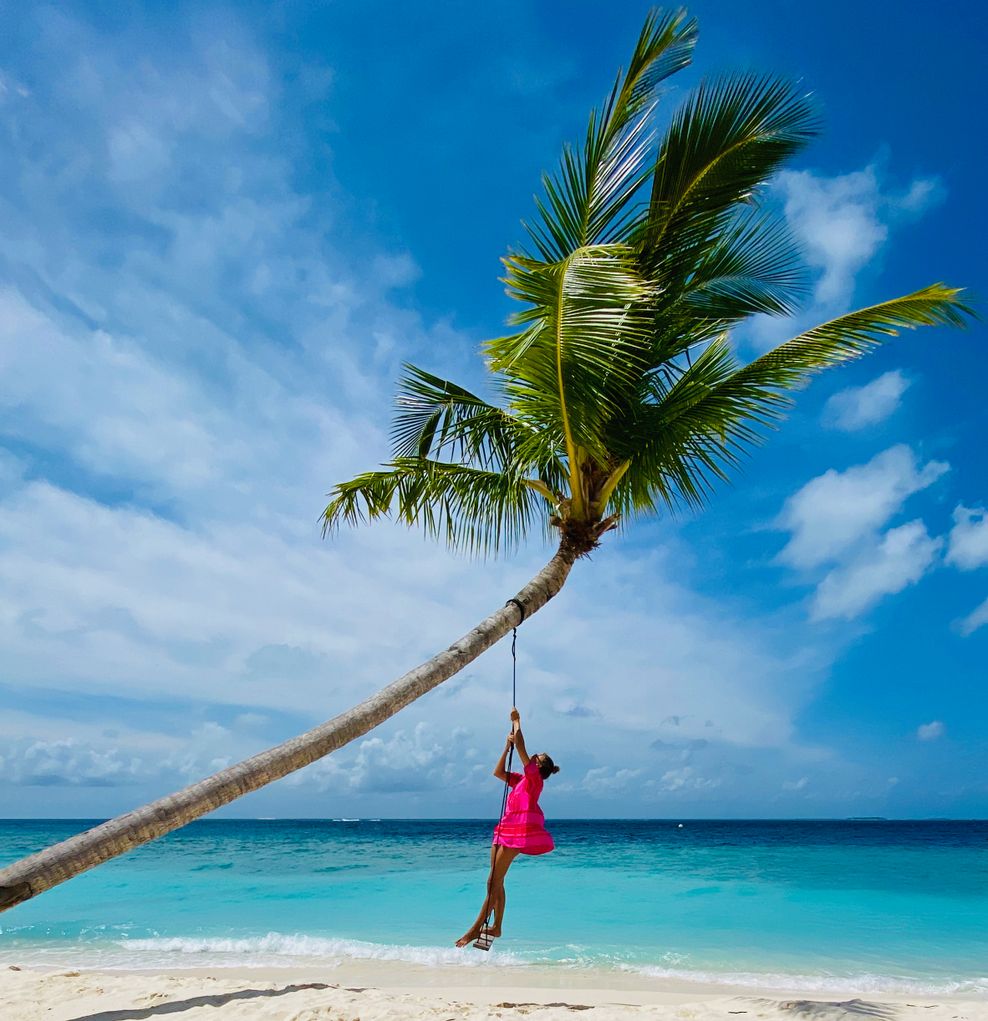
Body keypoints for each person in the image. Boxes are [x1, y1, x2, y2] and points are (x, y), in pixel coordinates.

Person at [455, 707, 560, 948]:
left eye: (537, 758)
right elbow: (498, 772)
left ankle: (475, 929)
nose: (533, 757)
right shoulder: (522, 779)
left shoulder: (534, 780)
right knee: (494, 881)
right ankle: (497, 927)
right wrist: (506, 747)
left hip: (520, 832)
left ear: (539, 768)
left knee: (494, 881)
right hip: (505, 829)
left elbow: (522, 747)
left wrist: (517, 722)